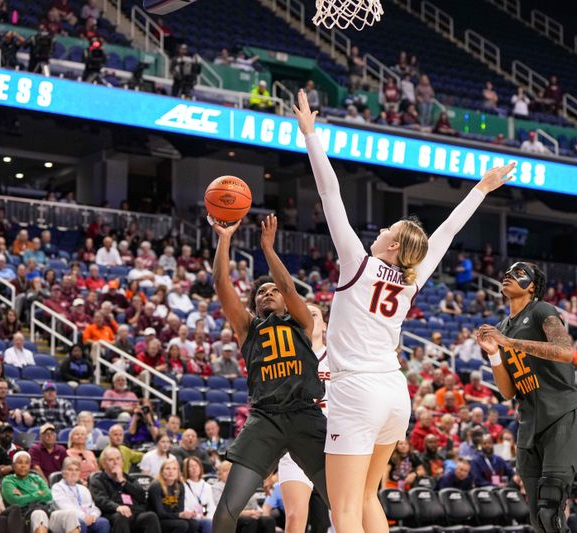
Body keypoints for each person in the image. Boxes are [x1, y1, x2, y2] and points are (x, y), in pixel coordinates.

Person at [294, 89, 513, 533]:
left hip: (356, 392)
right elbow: (448, 232)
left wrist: (311, 136)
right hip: (395, 394)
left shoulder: (358, 262)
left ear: (392, 245)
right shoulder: (412, 277)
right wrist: (481, 188)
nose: (377, 231)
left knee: (345, 509)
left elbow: (329, 191)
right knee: (368, 498)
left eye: (386, 230)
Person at [209, 212, 329, 533]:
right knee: (225, 512)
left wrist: (268, 248)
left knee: (343, 503)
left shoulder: (301, 322)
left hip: (306, 415)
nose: (268, 293)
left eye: (273, 290)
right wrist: (224, 239)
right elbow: (221, 284)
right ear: (255, 305)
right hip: (266, 419)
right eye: (261, 292)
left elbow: (289, 285)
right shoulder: (249, 329)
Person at [478, 262, 577, 533]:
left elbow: (565, 351)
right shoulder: (502, 326)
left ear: (531, 287)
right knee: (537, 519)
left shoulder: (542, 310)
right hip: (529, 422)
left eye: (519, 274)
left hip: (562, 416)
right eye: (506, 272)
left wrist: (509, 343)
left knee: (550, 511)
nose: (508, 275)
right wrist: (494, 354)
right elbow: (507, 392)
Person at [278, 303, 330, 533]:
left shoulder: (339, 358)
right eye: (303, 315)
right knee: (294, 517)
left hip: (334, 444)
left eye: (314, 314)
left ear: (325, 325)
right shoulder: (285, 360)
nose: (308, 318)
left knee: (345, 515)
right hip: (296, 443)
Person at [2, 451, 80, 533]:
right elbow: (15, 500)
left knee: (70, 515)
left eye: (27, 463)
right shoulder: (8, 480)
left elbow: (49, 496)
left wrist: (25, 496)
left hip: (47, 511)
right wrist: (38, 494)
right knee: (39, 514)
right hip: (26, 515)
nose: (23, 466)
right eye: (20, 462)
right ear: (13, 465)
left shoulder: (36, 478)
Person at [91, 447, 161, 533]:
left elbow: (141, 496)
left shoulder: (129, 478)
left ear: (122, 462)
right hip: (113, 513)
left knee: (151, 516)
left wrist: (123, 481)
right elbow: (100, 500)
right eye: (111, 460)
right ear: (104, 464)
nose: (115, 462)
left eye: (118, 459)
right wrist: (117, 507)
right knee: (122, 516)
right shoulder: (97, 480)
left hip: (134, 513)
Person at [52, 457, 111, 533]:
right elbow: (66, 508)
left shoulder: (83, 489)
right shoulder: (57, 487)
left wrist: (93, 516)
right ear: (63, 472)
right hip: (67, 520)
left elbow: (93, 507)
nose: (74, 472)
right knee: (79, 523)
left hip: (87, 518)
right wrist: (84, 517)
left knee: (103, 522)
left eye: (77, 470)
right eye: (70, 469)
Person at [147, 457, 200, 533]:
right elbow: (160, 513)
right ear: (162, 471)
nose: (171, 472)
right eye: (167, 468)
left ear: (178, 472)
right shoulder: (156, 486)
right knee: (182, 525)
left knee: (193, 524)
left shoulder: (180, 486)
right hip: (158, 521)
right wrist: (179, 515)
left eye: (174, 469)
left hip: (171, 518)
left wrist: (185, 515)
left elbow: (180, 509)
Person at [182, 457, 215, 532]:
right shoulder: (183, 486)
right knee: (207, 523)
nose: (194, 468)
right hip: (191, 518)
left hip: (206, 518)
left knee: (211, 522)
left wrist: (208, 517)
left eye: (196, 465)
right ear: (187, 469)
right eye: (191, 466)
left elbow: (211, 506)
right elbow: (184, 507)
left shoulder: (207, 486)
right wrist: (198, 516)